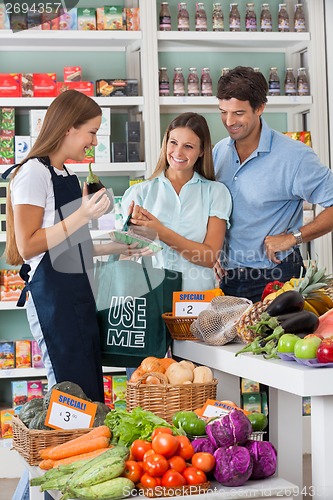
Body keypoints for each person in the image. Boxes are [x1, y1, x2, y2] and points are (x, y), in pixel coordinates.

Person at [212, 66, 333, 302]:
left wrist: (294, 237)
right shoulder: (219, 151)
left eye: (238, 113)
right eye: (223, 112)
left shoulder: (295, 156)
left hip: (275, 277)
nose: (228, 121)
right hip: (227, 278)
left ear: (259, 108)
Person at [121, 112, 232, 291]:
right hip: (150, 297)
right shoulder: (139, 193)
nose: (178, 152)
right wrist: (133, 242)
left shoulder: (216, 193)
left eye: (188, 146)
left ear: (202, 151)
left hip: (196, 298)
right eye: (173, 143)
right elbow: (127, 253)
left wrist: (160, 231)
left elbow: (209, 257)